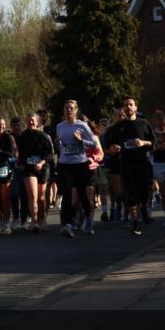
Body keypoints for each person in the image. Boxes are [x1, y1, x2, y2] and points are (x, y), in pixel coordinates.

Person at [105, 97, 156, 236]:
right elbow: (108, 146)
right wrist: (113, 148)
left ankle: (144, 208)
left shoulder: (144, 123)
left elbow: (153, 142)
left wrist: (143, 143)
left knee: (144, 190)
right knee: (130, 193)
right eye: (125, 105)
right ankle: (135, 222)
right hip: (126, 163)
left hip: (142, 162)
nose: (128, 107)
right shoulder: (118, 127)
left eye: (130, 105)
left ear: (135, 108)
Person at [55, 101, 98, 238]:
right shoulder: (59, 126)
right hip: (64, 163)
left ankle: (88, 219)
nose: (68, 110)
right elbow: (62, 145)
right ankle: (67, 224)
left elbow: (93, 144)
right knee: (67, 193)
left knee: (82, 194)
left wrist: (81, 141)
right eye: (66, 107)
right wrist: (59, 145)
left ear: (76, 110)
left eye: (71, 108)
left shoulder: (82, 125)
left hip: (80, 163)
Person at [17, 112, 53, 232]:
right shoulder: (23, 137)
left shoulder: (44, 136)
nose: (31, 122)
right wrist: (21, 163)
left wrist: (41, 163)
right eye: (28, 120)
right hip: (29, 169)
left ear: (37, 122)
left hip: (42, 168)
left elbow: (49, 154)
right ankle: (34, 221)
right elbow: (20, 153)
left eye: (33, 120)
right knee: (32, 195)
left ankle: (42, 218)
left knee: (41, 197)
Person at [8, 116, 29, 229]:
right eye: (14, 125)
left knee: (24, 195)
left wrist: (24, 163)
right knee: (14, 194)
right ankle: (16, 217)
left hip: (24, 168)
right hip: (12, 169)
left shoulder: (25, 136)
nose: (16, 127)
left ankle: (24, 219)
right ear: (11, 126)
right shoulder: (8, 136)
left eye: (18, 125)